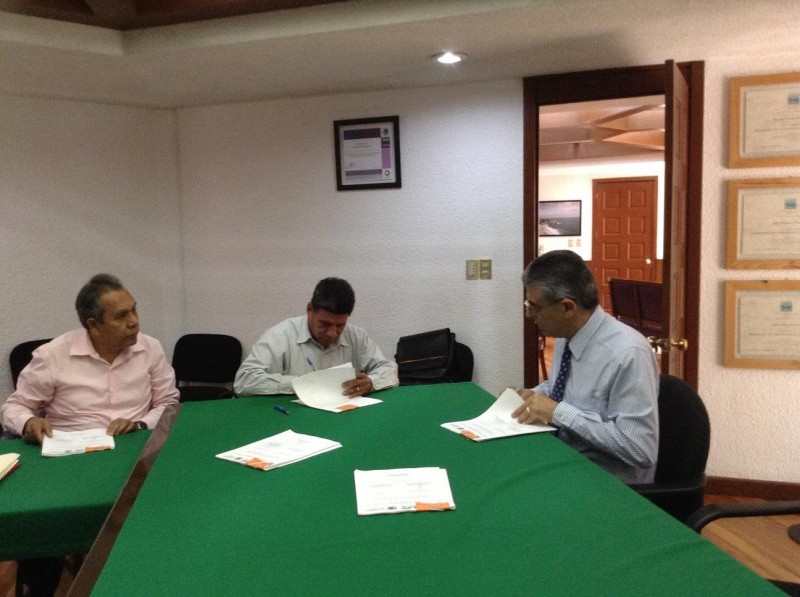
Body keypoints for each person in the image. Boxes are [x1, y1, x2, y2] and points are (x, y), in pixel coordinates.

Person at [0, 273, 179, 597]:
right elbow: (14, 407)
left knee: (161, 513)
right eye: (122, 316)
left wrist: (141, 424)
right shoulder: (53, 355)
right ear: (93, 325)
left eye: (134, 310)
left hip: (134, 454)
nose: (134, 322)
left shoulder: (150, 348)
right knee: (43, 528)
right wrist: (28, 423)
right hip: (69, 462)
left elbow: (168, 403)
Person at [511, 250, 659, 484]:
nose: (530, 315)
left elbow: (640, 448)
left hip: (608, 485)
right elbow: (565, 387)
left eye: (535, 307)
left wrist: (557, 412)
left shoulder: (628, 352)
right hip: (567, 463)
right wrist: (532, 395)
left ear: (567, 308)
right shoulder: (568, 333)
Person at [234, 277, 398, 396]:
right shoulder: (281, 335)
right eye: (325, 324)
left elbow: (388, 369)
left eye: (340, 325)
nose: (332, 333)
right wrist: (302, 384)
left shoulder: (356, 336)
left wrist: (371, 382)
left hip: (344, 414)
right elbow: (244, 380)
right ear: (309, 309)